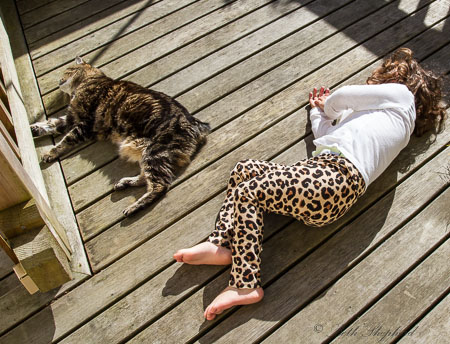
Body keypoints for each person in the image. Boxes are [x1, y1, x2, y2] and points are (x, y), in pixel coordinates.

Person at [173, 48, 445, 321]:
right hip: (325, 183)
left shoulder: (402, 96)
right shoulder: (388, 122)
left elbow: (343, 96)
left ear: (402, 80)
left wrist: (328, 104)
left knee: (248, 192)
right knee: (244, 170)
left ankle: (245, 283)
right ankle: (223, 243)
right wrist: (319, 113)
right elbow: (326, 135)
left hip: (333, 178)